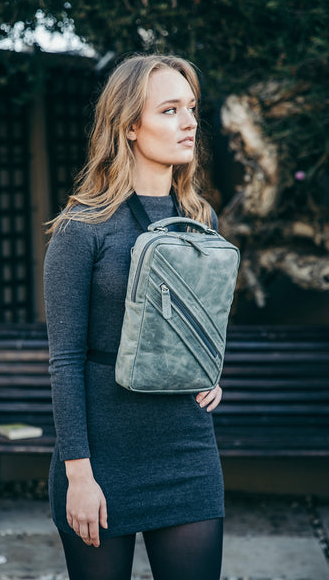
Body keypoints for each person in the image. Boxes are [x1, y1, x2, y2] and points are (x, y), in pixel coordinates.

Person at [43, 54, 224, 580]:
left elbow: (203, 316)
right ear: (128, 125)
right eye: (169, 110)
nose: (189, 122)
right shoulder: (83, 226)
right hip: (102, 457)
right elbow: (64, 359)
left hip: (187, 449)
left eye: (191, 108)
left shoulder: (201, 218)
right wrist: (79, 475)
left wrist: (212, 369)